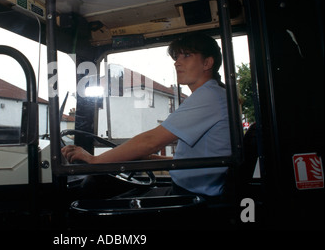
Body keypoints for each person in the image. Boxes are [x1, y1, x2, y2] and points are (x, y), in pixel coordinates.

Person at [61, 33, 231, 198]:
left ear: (207, 63)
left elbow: (150, 141)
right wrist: (151, 158)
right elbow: (197, 156)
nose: (177, 63)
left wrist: (95, 161)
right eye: (176, 57)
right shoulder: (213, 95)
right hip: (190, 191)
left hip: (194, 197)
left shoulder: (208, 96)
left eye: (186, 55)